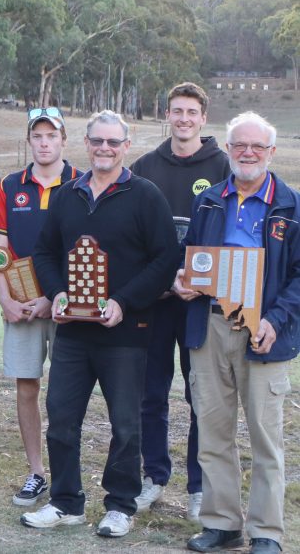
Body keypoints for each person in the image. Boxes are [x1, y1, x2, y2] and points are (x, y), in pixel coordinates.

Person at [22, 110, 178, 538]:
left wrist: (124, 302)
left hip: (125, 333)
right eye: (97, 141)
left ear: (126, 146)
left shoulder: (146, 196)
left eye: (113, 142)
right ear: (86, 144)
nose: (105, 149)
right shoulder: (68, 195)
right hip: (73, 333)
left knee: (126, 424)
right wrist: (56, 293)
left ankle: (120, 505)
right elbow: (44, 252)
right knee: (62, 419)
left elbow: (166, 259)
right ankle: (66, 502)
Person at [175, 112, 298, 554]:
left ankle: (267, 532)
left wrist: (274, 320)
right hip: (209, 326)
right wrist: (181, 279)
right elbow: (192, 257)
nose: (247, 153)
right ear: (228, 150)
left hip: (264, 332)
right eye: (239, 146)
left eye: (257, 147)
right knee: (213, 433)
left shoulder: (291, 205)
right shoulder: (208, 200)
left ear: (272, 152)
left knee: (266, 438)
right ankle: (222, 523)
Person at [130, 82, 229, 520]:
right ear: (166, 114)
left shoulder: (222, 164)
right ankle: (154, 476)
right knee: (151, 394)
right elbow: (133, 236)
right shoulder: (145, 166)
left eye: (192, 112)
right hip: (154, 301)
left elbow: (229, 236)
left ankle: (197, 484)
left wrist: (195, 281)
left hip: (198, 302)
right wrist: (161, 280)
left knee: (199, 395)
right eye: (177, 111)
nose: (184, 119)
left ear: (203, 118)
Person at [0, 107, 80, 507]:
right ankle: (36, 471)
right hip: (21, 304)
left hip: (66, 305)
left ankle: (66, 475)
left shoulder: (81, 183)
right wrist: (4, 298)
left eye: (51, 136)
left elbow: (85, 251)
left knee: (66, 391)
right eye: (37, 136)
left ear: (63, 140)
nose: (44, 143)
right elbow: (0, 250)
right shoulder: (10, 185)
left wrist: (54, 297)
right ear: (29, 141)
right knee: (27, 386)